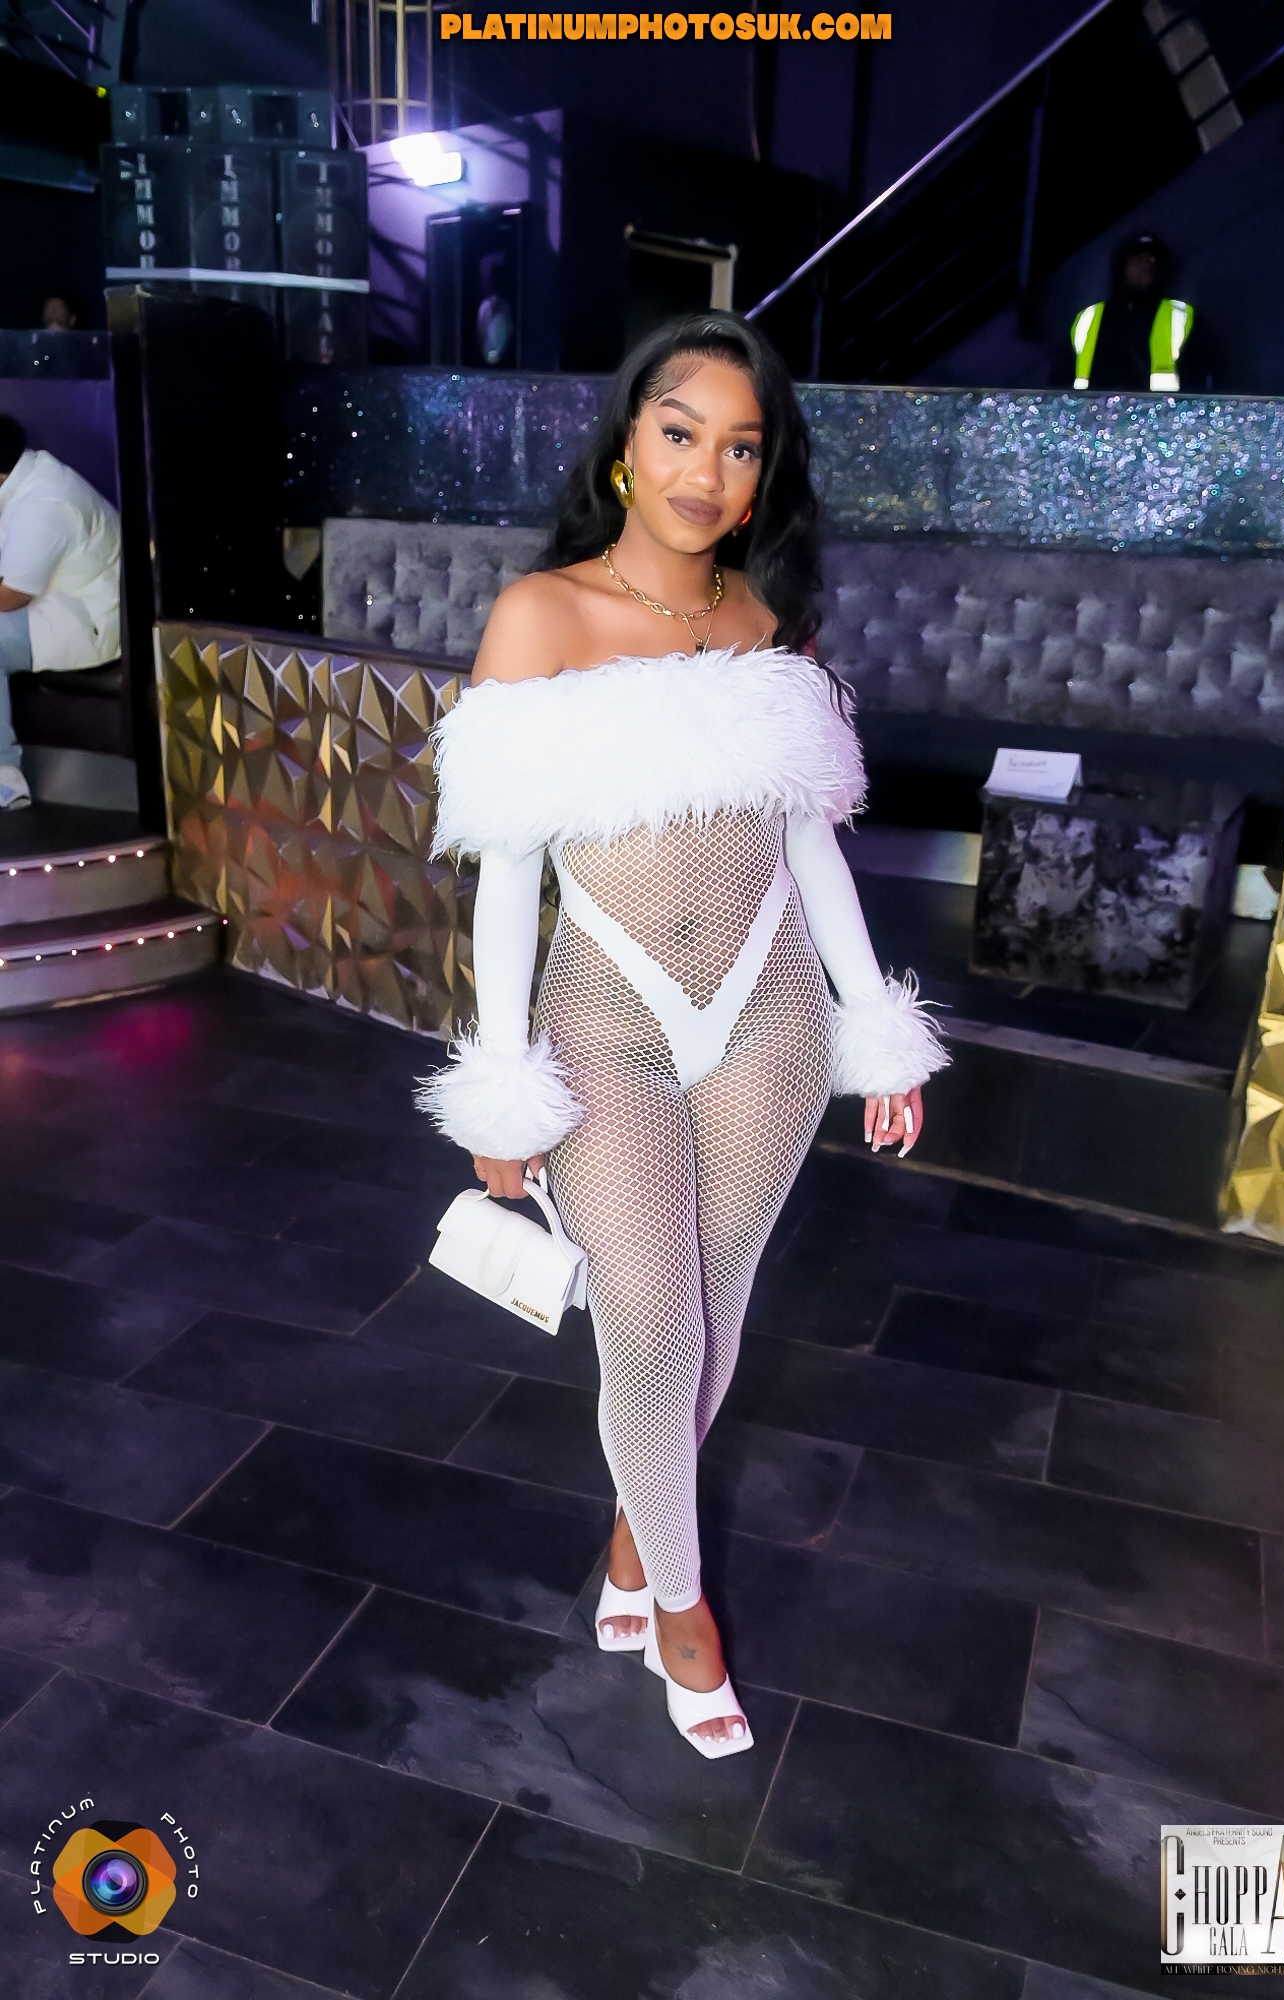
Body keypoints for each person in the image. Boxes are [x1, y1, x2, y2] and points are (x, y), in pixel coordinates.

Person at [418, 311, 948, 1759]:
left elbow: (811, 844)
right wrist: (505, 1085)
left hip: (769, 1019)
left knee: (715, 1311)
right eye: (678, 433)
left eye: (740, 448)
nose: (706, 473)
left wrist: (874, 1024)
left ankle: (635, 1533)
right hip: (608, 1018)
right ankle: (681, 1603)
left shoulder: (763, 618)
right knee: (649, 1323)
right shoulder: (541, 617)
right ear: (623, 444)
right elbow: (506, 873)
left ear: (764, 473)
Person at [0, 417, 122, 809]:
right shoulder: (24, 476)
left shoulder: (44, 504)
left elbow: (9, 597)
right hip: (53, 603)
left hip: (85, 623)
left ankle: (5, 779)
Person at [1066, 235, 1201, 392]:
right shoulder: (1088, 317)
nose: (1145, 266)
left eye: (1152, 260)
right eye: (1137, 259)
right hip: (1093, 408)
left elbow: (1201, 377)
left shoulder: (1181, 316)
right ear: (1122, 265)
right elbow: (1061, 380)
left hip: (1160, 408)